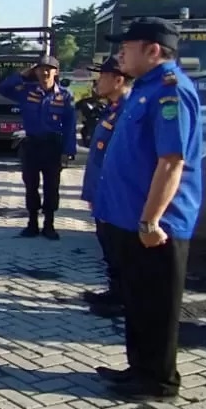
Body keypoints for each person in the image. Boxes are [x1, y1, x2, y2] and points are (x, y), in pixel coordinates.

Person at [93, 16, 204, 401]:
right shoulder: (146, 88)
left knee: (156, 306)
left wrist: (150, 219)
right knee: (138, 301)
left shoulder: (171, 91)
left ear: (152, 50)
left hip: (155, 225)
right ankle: (139, 370)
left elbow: (171, 162)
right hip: (130, 219)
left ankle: (159, 381)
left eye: (126, 47)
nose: (119, 55)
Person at [0, 55, 77, 239]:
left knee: (51, 186)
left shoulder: (65, 95)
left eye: (49, 69)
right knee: (31, 185)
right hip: (31, 145)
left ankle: (49, 224)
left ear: (56, 72)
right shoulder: (27, 91)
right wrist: (22, 75)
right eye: (41, 69)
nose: (45, 73)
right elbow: (3, 88)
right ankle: (32, 223)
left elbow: (70, 126)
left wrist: (68, 151)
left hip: (53, 146)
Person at [80, 56, 131, 318]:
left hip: (116, 194)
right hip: (103, 192)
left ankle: (124, 298)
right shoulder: (112, 108)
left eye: (102, 76)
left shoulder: (128, 111)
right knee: (108, 246)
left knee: (120, 248)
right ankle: (115, 291)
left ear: (118, 80)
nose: (97, 81)